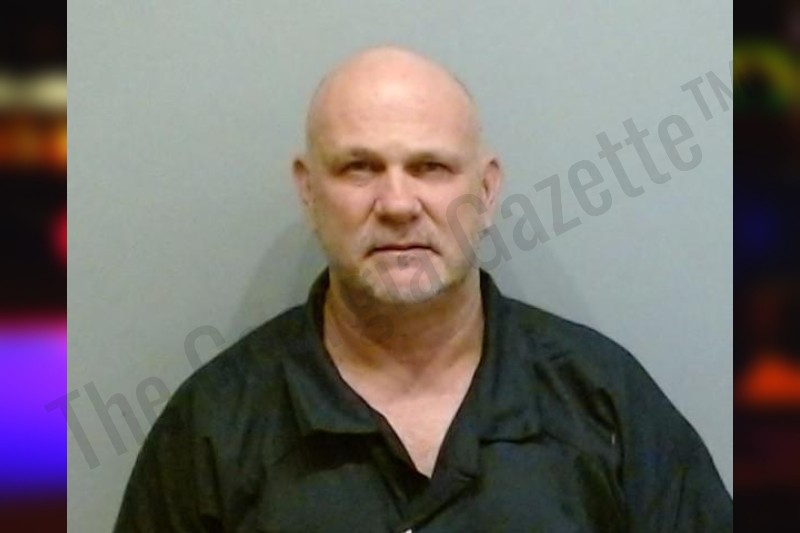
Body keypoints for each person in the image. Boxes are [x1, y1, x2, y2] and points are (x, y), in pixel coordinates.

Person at [114, 46, 732, 532]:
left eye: (430, 167)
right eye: (359, 168)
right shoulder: (214, 426)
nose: (398, 204)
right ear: (308, 190)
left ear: (486, 190)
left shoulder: (604, 402)